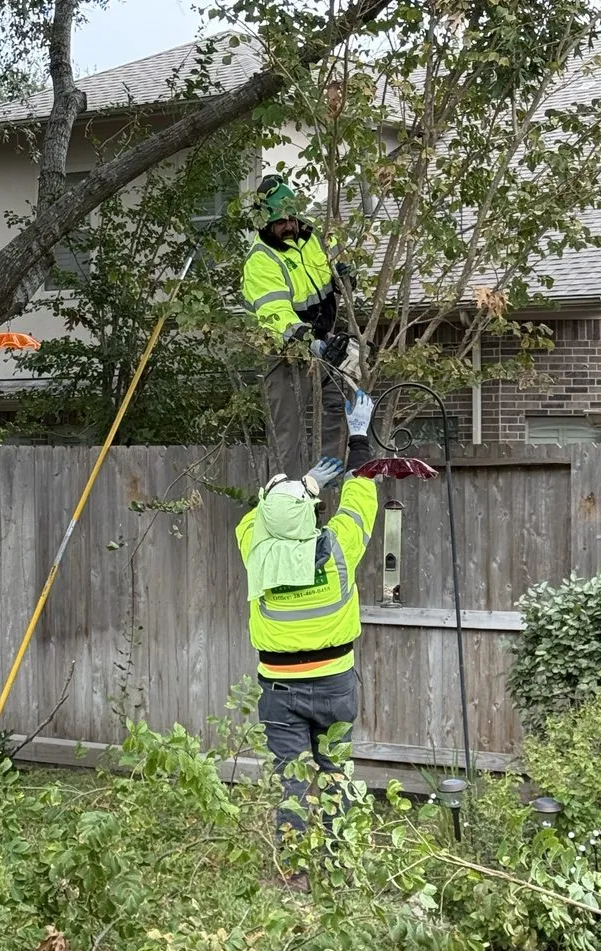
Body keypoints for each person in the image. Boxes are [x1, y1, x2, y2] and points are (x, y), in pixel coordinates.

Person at [235, 390, 377, 892]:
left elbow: (261, 516)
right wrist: (357, 437)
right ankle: (339, 864)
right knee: (336, 772)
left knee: (292, 779)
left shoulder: (255, 548)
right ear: (316, 512)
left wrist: (299, 488)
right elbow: (363, 495)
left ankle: (294, 872)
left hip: (279, 688)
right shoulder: (339, 546)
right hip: (336, 682)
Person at [242, 174, 353, 477]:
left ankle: (329, 476)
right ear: (266, 224)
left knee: (341, 405)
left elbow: (330, 275)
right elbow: (274, 312)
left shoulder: (313, 239)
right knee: (287, 432)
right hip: (286, 354)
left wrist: (344, 277)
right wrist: (306, 340)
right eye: (281, 222)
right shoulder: (261, 259)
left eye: (291, 218)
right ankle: (287, 495)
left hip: (325, 339)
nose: (289, 226)